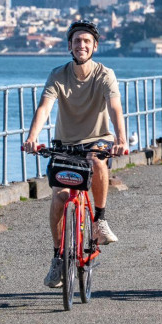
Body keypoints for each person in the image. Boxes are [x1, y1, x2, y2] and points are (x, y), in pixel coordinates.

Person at [24, 20, 128, 288]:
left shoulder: (105, 74)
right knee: (59, 197)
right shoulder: (58, 74)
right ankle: (58, 256)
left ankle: (100, 221)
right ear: (69, 46)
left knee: (96, 160)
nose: (81, 45)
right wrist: (32, 136)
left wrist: (121, 139)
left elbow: (115, 107)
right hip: (65, 143)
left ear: (95, 46)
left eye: (86, 41)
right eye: (76, 41)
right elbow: (45, 107)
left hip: (99, 140)